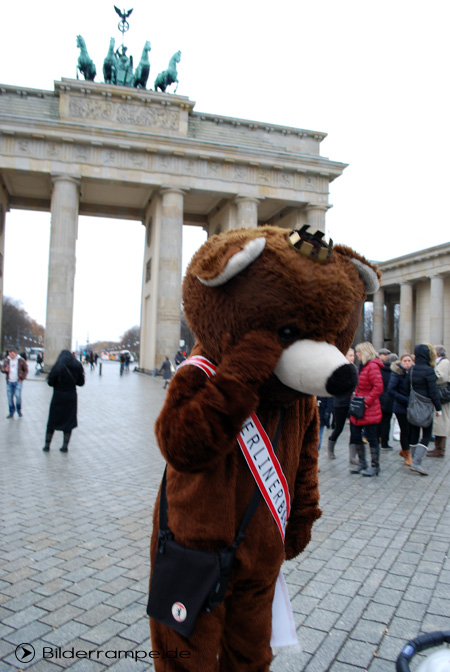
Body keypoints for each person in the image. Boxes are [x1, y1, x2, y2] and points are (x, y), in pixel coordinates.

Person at [406, 343, 442, 475]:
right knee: (426, 435)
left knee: (414, 435)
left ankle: (414, 460)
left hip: (413, 406)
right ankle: (417, 462)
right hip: (426, 407)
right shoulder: (429, 370)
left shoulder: (412, 370)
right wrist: (438, 408)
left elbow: (405, 388)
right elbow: (433, 392)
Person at [349, 342, 384, 477]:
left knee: (371, 437)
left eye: (358, 352)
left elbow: (378, 387)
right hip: (358, 407)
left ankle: (375, 466)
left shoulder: (372, 367)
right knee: (356, 435)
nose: (357, 355)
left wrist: (367, 402)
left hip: (368, 408)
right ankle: (362, 463)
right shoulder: (363, 366)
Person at [42, 350, 85, 452]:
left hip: (58, 396)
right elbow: (81, 382)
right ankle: (65, 446)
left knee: (52, 421)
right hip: (71, 396)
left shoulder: (58, 366)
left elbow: (50, 382)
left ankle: (47, 445)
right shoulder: (77, 366)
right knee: (68, 421)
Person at [327, 347, 358, 463]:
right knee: (338, 428)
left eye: (353, 355)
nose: (353, 357)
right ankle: (330, 448)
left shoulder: (355, 368)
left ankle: (352, 456)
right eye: (350, 355)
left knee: (354, 430)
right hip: (340, 403)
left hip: (353, 403)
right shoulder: (338, 369)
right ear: (344, 356)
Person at [388, 353, 414, 465]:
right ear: (401, 362)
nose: (407, 363)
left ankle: (404, 449)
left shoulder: (414, 372)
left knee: (412, 430)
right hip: (401, 406)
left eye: (409, 361)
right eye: (405, 361)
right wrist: (404, 400)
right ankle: (407, 454)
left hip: (412, 405)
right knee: (405, 430)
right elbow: (391, 390)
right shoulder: (397, 373)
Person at [428, 344, 449, 458]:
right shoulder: (441, 362)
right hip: (440, 395)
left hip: (442, 396)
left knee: (441, 422)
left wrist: (429, 376)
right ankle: (438, 448)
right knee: (438, 422)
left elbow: (441, 377)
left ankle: (440, 449)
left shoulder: (444, 363)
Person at [1, 346, 28, 418]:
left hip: (18, 381)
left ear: (15, 353)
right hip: (9, 381)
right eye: (10, 354)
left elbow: (26, 370)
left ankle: (19, 410)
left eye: (12, 354)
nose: (11, 355)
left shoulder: (21, 360)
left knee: (18, 396)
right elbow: (2, 369)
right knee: (10, 397)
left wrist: (22, 378)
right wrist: (5, 370)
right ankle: (11, 412)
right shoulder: (7, 360)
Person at [378, 351, 397, 451]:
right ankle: (384, 443)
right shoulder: (394, 373)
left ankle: (377, 440)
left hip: (380, 398)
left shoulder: (380, 370)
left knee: (378, 421)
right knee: (386, 422)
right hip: (389, 399)